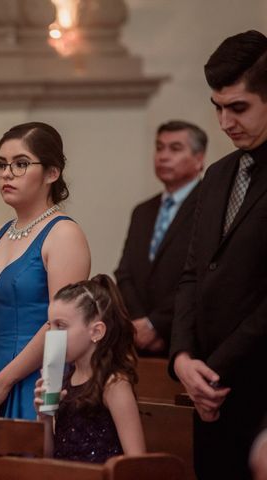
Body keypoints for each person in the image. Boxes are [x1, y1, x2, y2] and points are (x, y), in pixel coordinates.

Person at [169, 30, 267, 479]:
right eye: (218, 108)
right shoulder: (218, 174)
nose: (225, 122)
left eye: (238, 107)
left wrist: (213, 370)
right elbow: (192, 274)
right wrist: (182, 359)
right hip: (206, 390)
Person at [0, 122, 91, 448]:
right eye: (1, 165)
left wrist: (5, 381)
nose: (6, 174)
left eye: (20, 164)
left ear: (51, 173)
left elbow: (60, 324)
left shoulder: (63, 234)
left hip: (34, 383)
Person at [115, 120, 206, 356]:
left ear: (199, 158)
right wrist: (138, 323)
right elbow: (125, 273)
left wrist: (155, 325)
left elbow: (202, 276)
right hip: (137, 340)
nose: (163, 156)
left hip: (188, 341)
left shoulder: (210, 205)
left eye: (175, 149)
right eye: (159, 147)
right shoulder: (143, 211)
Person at [34, 275, 145, 463]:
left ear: (96, 331)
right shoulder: (64, 380)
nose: (52, 335)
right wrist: (44, 417)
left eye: (61, 326)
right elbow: (47, 457)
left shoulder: (114, 384)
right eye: (49, 326)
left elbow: (137, 462)